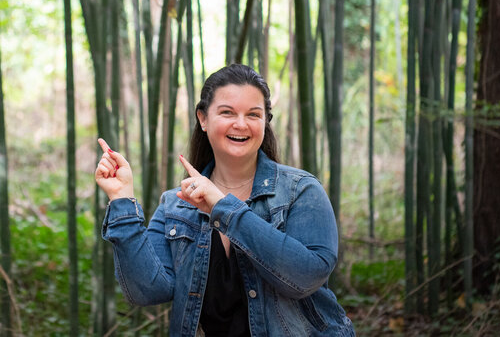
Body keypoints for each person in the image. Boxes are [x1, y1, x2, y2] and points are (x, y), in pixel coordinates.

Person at [95, 64, 355, 336]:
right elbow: (146, 290)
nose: (240, 124)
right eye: (227, 112)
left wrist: (224, 209)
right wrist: (122, 199)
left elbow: (306, 277)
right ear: (203, 119)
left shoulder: (301, 191)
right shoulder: (176, 204)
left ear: (265, 121)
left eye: (253, 114)